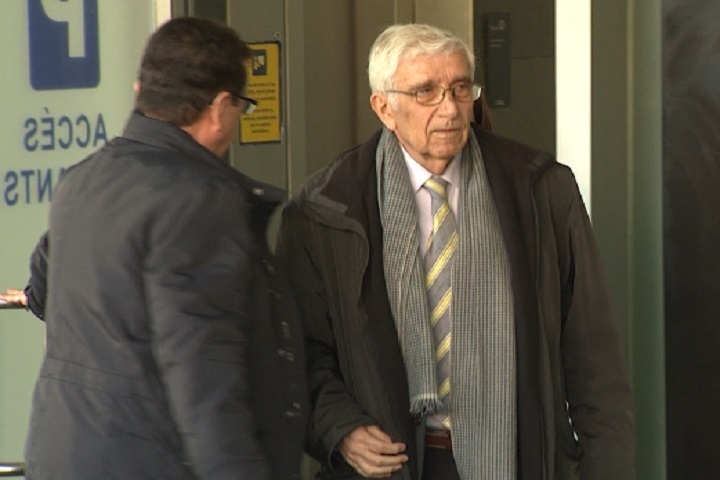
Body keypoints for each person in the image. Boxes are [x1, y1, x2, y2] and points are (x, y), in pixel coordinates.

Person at [276, 23, 634, 480]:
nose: (449, 108)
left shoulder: (539, 189)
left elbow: (594, 357)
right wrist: (340, 429)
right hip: (392, 464)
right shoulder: (325, 209)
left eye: (460, 88)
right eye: (426, 91)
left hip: (517, 459)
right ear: (384, 107)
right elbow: (302, 351)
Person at [23, 17, 307, 480]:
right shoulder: (198, 198)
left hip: (65, 452)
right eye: (242, 106)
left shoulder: (83, 179)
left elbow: (42, 289)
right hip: (149, 461)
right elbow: (202, 369)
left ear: (142, 90)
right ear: (221, 107)